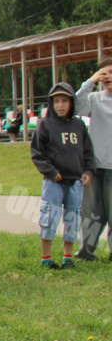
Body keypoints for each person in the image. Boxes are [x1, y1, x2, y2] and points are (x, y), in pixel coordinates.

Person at [31, 82, 96, 269]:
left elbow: (87, 152)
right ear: (51, 103)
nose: (60, 105)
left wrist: (88, 171)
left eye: (65, 101)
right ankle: (46, 258)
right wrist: (50, 171)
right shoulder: (45, 125)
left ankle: (68, 257)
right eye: (57, 101)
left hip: (75, 181)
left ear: (71, 103)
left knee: (72, 218)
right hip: (54, 181)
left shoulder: (79, 125)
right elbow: (37, 152)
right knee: (49, 217)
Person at [75, 59, 112, 261]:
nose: (107, 77)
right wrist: (90, 82)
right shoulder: (94, 99)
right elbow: (75, 106)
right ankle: (85, 252)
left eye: (111, 73)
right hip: (93, 167)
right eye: (103, 74)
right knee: (90, 212)